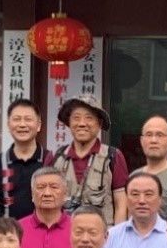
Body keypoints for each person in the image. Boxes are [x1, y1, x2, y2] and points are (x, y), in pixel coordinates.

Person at [53, 95, 129, 225]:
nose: (82, 123)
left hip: (103, 235)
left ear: (99, 124)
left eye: (89, 118)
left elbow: (121, 204)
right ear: (69, 123)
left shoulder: (112, 157)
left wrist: (117, 236)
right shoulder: (57, 158)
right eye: (76, 118)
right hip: (64, 234)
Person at [0, 99, 54, 219]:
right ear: (8, 125)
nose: (22, 124)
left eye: (28, 119)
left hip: (43, 228)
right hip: (6, 229)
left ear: (38, 125)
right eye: (17, 119)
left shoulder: (51, 160)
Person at [17, 167, 73, 248]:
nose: (47, 193)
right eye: (41, 187)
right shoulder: (16, 230)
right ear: (32, 195)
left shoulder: (78, 229)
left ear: (65, 194)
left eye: (54, 187)